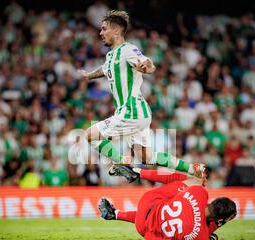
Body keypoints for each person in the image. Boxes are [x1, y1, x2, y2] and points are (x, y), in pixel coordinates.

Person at [78, 10, 205, 179]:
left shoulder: (128, 49)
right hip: (137, 112)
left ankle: (121, 162)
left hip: (132, 110)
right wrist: (89, 75)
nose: (100, 33)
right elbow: (105, 68)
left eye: (104, 29)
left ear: (116, 31)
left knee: (89, 135)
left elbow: (146, 63)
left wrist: (147, 67)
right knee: (146, 157)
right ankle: (192, 168)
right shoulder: (111, 56)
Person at [98, 166, 236, 240]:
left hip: (148, 203)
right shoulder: (202, 236)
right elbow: (210, 228)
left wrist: (196, 172)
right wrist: (223, 222)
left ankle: (137, 172)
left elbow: (196, 179)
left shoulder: (200, 193)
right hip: (144, 231)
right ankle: (115, 214)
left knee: (193, 181)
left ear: (212, 201)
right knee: (160, 218)